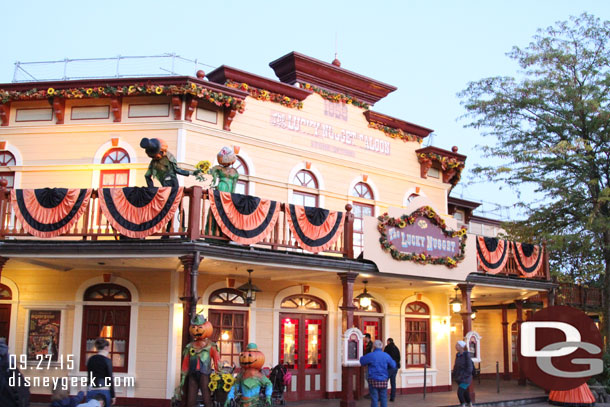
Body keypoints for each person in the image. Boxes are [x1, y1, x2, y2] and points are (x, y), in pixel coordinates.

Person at [359, 340, 396, 407]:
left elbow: (362, 361)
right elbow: (393, 365)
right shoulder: (386, 355)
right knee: (384, 398)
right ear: (382, 347)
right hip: (383, 379)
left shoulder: (371, 355)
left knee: (374, 398)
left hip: (373, 379)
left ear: (374, 346)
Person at [86, 338, 115, 407]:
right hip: (104, 390)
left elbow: (89, 376)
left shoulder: (91, 359)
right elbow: (109, 378)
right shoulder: (107, 360)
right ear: (106, 347)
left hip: (91, 389)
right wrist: (113, 395)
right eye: (108, 347)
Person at [452, 340, 473, 407]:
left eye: (457, 345)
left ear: (461, 347)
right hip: (459, 378)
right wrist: (454, 374)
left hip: (465, 378)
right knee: (465, 392)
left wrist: (464, 375)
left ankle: (463, 404)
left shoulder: (467, 355)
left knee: (460, 392)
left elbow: (470, 368)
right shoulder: (458, 355)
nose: (456, 346)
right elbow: (456, 366)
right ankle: (469, 403)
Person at [384, 338, 401, 402]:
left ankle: (383, 396)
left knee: (385, 382)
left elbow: (385, 357)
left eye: (387, 341)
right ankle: (392, 397)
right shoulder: (396, 348)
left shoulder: (387, 348)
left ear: (388, 341)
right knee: (393, 383)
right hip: (395, 367)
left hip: (389, 367)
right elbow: (399, 358)